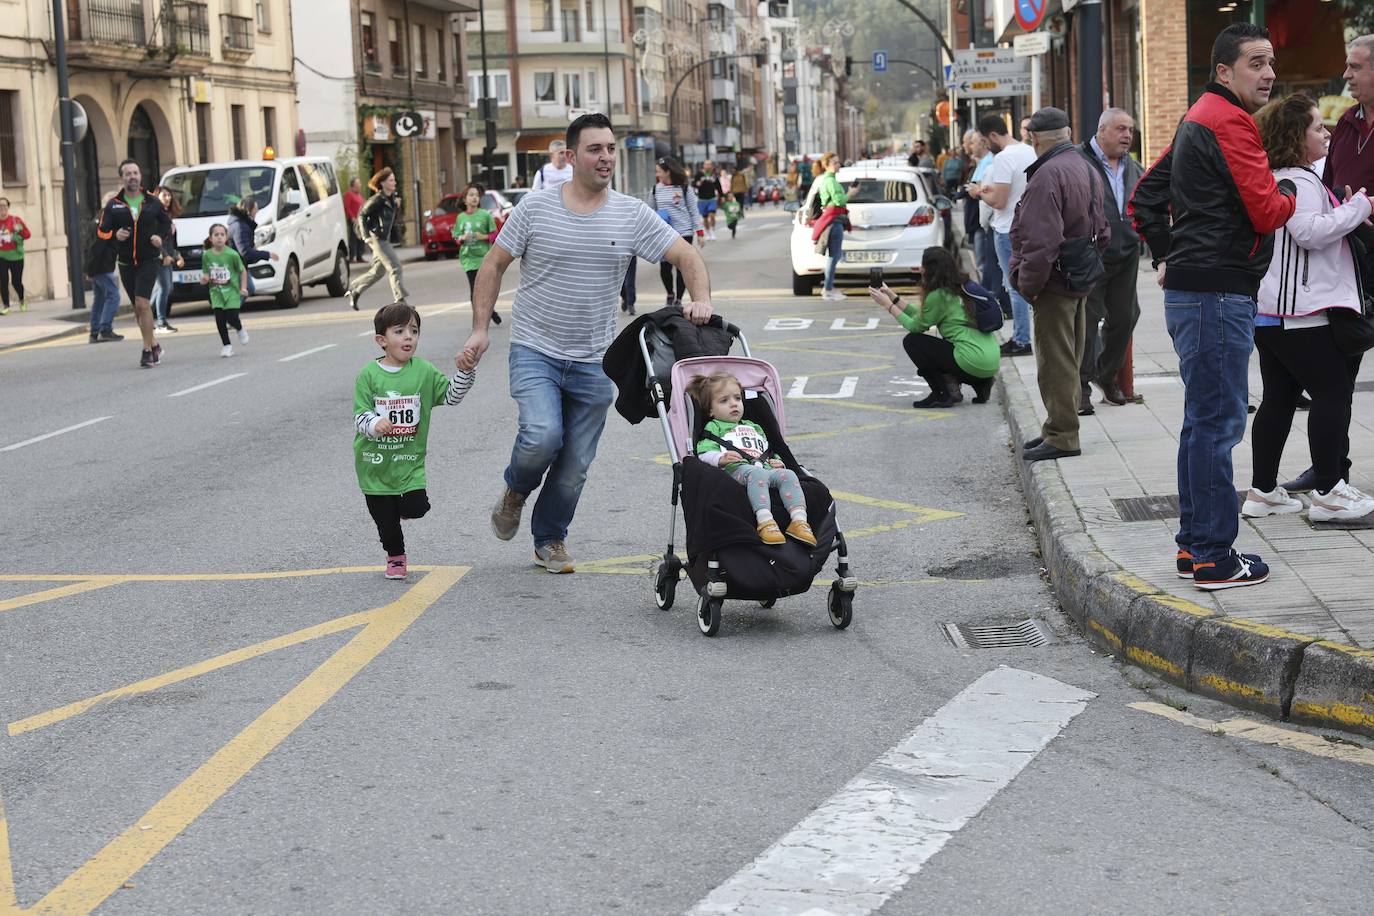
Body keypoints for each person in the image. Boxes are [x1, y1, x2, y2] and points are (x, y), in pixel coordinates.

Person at [456, 112, 714, 574]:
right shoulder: (535, 208)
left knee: (575, 464)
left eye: (611, 148)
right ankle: (516, 490)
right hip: (535, 347)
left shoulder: (631, 213)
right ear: (571, 156)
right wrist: (480, 328)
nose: (606, 157)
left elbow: (686, 253)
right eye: (596, 149)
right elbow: (493, 265)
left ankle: (549, 539)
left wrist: (702, 299)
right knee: (542, 437)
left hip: (596, 358)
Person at [1130, 22, 1297, 589]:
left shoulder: (1199, 115)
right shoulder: (1227, 120)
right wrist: (1292, 192)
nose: (1268, 73)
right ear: (1224, 70)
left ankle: (1194, 548)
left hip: (1200, 291)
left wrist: (1166, 257)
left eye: (1270, 61)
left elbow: (1145, 196)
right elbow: (1267, 211)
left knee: (1202, 424)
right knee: (1217, 425)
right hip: (1216, 294)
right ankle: (1213, 558)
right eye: (1256, 62)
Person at [1245, 93, 1374, 524]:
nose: (1326, 132)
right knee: (1332, 393)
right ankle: (1329, 492)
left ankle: (1263, 492)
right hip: (1303, 312)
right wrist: (1359, 206)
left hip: (1274, 313)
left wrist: (1342, 203)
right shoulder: (1298, 181)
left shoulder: (1282, 177)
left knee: (1279, 400)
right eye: (1318, 127)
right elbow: (1308, 232)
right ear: (1295, 137)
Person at [1282, 34, 1374, 495]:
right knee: (1339, 370)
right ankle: (1331, 471)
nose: (1347, 75)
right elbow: (1334, 186)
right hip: (1351, 261)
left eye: (1356, 67)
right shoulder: (1347, 124)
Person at [1010, 107, 1110, 463]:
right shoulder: (1086, 167)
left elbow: (1040, 242)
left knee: (1055, 362)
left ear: (1034, 139)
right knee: (1070, 356)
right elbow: (1103, 229)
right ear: (1067, 132)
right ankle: (1057, 429)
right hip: (1078, 276)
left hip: (1054, 281)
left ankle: (1063, 435)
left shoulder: (1047, 175)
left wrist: (1029, 286)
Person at [354, 302, 475, 580]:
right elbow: (359, 416)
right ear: (381, 341)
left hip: (409, 462)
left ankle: (402, 508)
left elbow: (451, 396)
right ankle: (395, 557)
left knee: (416, 508)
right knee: (386, 523)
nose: (408, 336)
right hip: (375, 465)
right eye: (399, 331)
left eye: (414, 330)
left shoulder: (424, 371)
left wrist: (465, 372)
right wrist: (374, 423)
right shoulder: (368, 375)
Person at [687, 370, 816, 546]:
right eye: (724, 401)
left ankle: (799, 521)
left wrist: (777, 460)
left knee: (789, 475)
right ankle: (765, 521)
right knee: (756, 474)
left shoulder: (754, 426)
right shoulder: (714, 427)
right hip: (736, 470)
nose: (734, 404)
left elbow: (767, 449)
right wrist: (720, 458)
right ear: (710, 410)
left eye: (737, 398)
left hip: (764, 467)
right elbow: (703, 452)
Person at [867, 247, 999, 409]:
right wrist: (893, 298)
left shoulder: (938, 295)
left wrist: (887, 305)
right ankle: (982, 384)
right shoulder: (960, 287)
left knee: (913, 341)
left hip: (971, 360)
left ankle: (943, 393)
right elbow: (925, 315)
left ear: (933, 270)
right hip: (990, 361)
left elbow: (915, 326)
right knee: (942, 349)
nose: (921, 269)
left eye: (924, 266)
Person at [1077, 108, 1145, 416]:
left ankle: (1106, 375)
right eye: (1120, 129)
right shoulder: (1079, 162)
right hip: (1092, 253)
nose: (1127, 135)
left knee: (1126, 315)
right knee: (1087, 322)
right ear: (1101, 130)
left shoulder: (1133, 166)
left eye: (1129, 130)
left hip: (1127, 253)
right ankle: (1080, 386)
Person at [97, 159, 171, 369]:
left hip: (149, 259)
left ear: (140, 176)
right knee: (139, 310)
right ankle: (154, 344)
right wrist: (114, 234)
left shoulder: (152, 202)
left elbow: (167, 224)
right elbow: (101, 231)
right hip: (127, 262)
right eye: (128, 174)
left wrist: (159, 236)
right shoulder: (114, 204)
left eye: (135, 173)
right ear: (122, 178)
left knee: (142, 303)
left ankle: (147, 351)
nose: (132, 177)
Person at [978, 114, 1038, 357]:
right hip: (1030, 226)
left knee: (1015, 287)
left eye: (984, 141)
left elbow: (1000, 201)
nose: (985, 146)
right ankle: (1023, 337)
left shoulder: (1003, 158)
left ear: (993, 135)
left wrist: (980, 193)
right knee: (1026, 284)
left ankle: (1022, 339)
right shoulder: (1029, 151)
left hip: (1006, 230)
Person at [346, 167, 408, 311]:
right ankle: (400, 300)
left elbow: (390, 219)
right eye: (391, 180)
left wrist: (396, 206)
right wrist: (366, 236)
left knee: (378, 272)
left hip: (384, 238)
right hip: (377, 238)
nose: (394, 183)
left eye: (394, 180)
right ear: (382, 183)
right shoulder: (377, 199)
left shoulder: (391, 198)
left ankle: (355, 290)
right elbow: (361, 215)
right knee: (395, 266)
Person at [652, 156, 704, 307]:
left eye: (659, 172)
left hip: (684, 232)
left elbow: (694, 211)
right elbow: (649, 212)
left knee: (682, 267)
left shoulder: (684, 188)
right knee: (665, 267)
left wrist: (700, 232)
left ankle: (679, 299)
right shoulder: (655, 190)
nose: (658, 175)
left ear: (668, 172)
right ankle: (670, 293)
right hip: (663, 233)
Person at [200, 223, 249, 358]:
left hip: (232, 292)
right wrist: (204, 279)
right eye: (216, 235)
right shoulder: (207, 255)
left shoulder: (232, 254)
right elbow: (206, 272)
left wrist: (243, 287)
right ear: (211, 238)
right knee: (220, 320)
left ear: (226, 237)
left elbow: (242, 271)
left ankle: (240, 329)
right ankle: (227, 346)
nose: (219, 238)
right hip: (216, 293)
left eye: (222, 235)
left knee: (232, 318)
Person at [812, 152, 855, 302]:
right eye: (835, 162)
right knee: (834, 255)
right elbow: (838, 200)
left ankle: (829, 288)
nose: (838, 165)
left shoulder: (829, 180)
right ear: (827, 165)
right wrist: (850, 193)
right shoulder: (830, 182)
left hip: (833, 220)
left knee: (834, 255)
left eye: (838, 162)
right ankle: (828, 289)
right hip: (834, 221)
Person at [451, 183, 497, 300]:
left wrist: (483, 236)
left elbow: (495, 235)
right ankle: (481, 317)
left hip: (483, 258)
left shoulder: (485, 215)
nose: (475, 197)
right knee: (474, 291)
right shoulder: (460, 217)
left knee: (484, 289)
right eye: (471, 195)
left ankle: (490, 312)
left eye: (477, 195)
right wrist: (462, 238)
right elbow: (456, 237)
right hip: (468, 259)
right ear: (465, 199)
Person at [226, 196, 278, 298]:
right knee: (247, 289)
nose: (257, 211)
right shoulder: (240, 226)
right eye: (255, 209)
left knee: (249, 288)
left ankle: (232, 309)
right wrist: (267, 255)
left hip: (239, 264)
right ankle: (230, 310)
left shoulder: (242, 224)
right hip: (235, 266)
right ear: (249, 211)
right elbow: (245, 252)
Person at [148, 186, 184, 333]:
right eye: (164, 195)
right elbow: (155, 239)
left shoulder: (167, 217)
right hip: (158, 257)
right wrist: (164, 255)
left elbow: (171, 242)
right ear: (157, 196)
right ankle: (161, 322)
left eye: (169, 195)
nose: (167, 198)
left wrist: (177, 255)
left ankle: (145, 315)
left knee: (166, 288)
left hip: (168, 256)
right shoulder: (155, 216)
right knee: (164, 288)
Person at [86, 203, 123, 343]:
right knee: (114, 296)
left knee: (100, 299)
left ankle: (94, 332)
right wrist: (91, 268)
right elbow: (97, 247)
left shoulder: (98, 220)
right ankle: (105, 329)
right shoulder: (105, 222)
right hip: (101, 266)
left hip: (98, 266)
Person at [0, 197, 30, 314]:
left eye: (4, 206)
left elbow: (27, 234)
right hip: (1, 255)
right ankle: (6, 306)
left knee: (16, 282)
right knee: (3, 281)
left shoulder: (15, 221)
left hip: (16, 256)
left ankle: (22, 300)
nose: (2, 208)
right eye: (0, 206)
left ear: (8, 207)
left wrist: (19, 231)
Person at [695, 161, 723, 240]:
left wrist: (722, 196)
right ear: (703, 165)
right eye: (706, 164)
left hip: (712, 199)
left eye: (709, 164)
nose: (708, 166)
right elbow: (694, 184)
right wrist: (698, 184)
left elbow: (718, 186)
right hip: (702, 200)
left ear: (711, 166)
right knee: (705, 218)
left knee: (712, 215)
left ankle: (712, 231)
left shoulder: (714, 175)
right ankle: (708, 232)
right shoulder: (699, 174)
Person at [344, 177, 366, 263]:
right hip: (353, 220)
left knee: (361, 238)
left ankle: (359, 256)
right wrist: (352, 217)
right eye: (358, 183)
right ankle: (351, 257)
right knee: (353, 238)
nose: (360, 184)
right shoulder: (349, 194)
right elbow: (347, 207)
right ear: (354, 185)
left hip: (360, 219)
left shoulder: (359, 195)